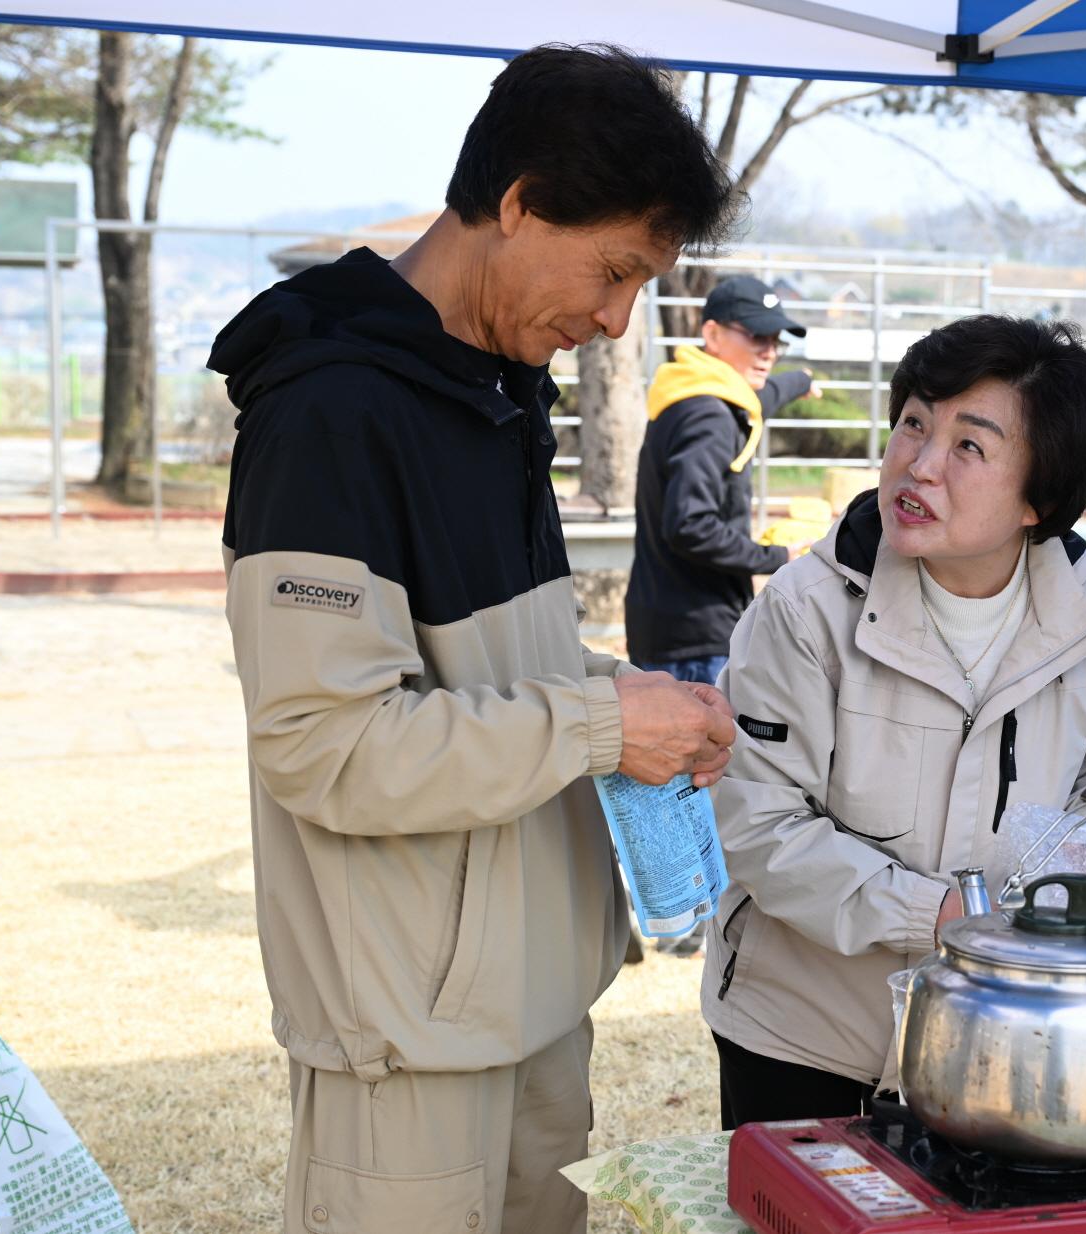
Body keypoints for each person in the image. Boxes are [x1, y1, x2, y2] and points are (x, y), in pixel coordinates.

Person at [209, 45, 739, 1234]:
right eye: (615, 270)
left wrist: (625, 698)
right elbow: (327, 745)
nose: (615, 319)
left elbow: (491, 677)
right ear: (519, 202)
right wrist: (599, 722)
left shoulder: (492, 389)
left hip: (533, 998)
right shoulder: (332, 409)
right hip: (408, 1034)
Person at [699, 315, 1086, 1126]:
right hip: (803, 1033)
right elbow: (756, 822)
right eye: (914, 424)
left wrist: (1080, 861)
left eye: (968, 446)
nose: (918, 465)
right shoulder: (807, 611)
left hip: (1002, 1023)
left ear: (1041, 498)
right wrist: (939, 916)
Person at [626, 275, 817, 956]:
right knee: (695, 774)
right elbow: (690, 524)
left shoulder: (696, 390)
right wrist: (776, 555)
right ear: (711, 334)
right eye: (754, 336)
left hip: (669, 614)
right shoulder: (710, 414)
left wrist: (801, 382)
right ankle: (684, 924)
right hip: (695, 622)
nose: (767, 350)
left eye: (776, 339)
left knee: (670, 774)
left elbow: (761, 393)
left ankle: (671, 916)